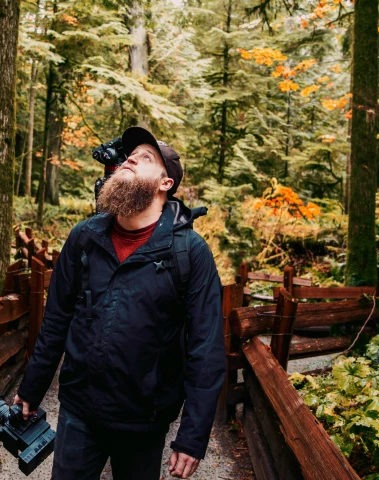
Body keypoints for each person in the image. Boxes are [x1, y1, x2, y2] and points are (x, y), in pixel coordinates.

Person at [14, 126, 225, 480]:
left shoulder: (190, 253)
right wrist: (32, 388)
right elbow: (56, 320)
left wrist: (192, 436)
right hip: (79, 410)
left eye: (146, 158)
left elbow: (207, 349)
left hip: (145, 419)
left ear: (165, 184)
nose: (130, 159)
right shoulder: (85, 237)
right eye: (130, 155)